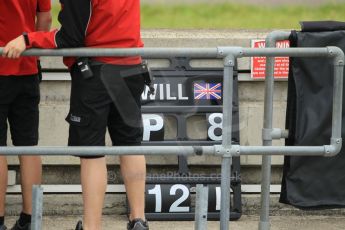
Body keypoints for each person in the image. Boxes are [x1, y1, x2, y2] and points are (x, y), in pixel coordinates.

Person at [2, 1, 148, 230]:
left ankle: (91, 226)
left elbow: (69, 37)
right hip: (131, 65)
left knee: (91, 153)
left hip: (96, 73)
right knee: (130, 145)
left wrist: (28, 39)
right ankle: (138, 221)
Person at [0, 1, 51, 230]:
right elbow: (45, 19)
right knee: (28, 145)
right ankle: (30, 219)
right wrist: (34, 56)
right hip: (28, 65)